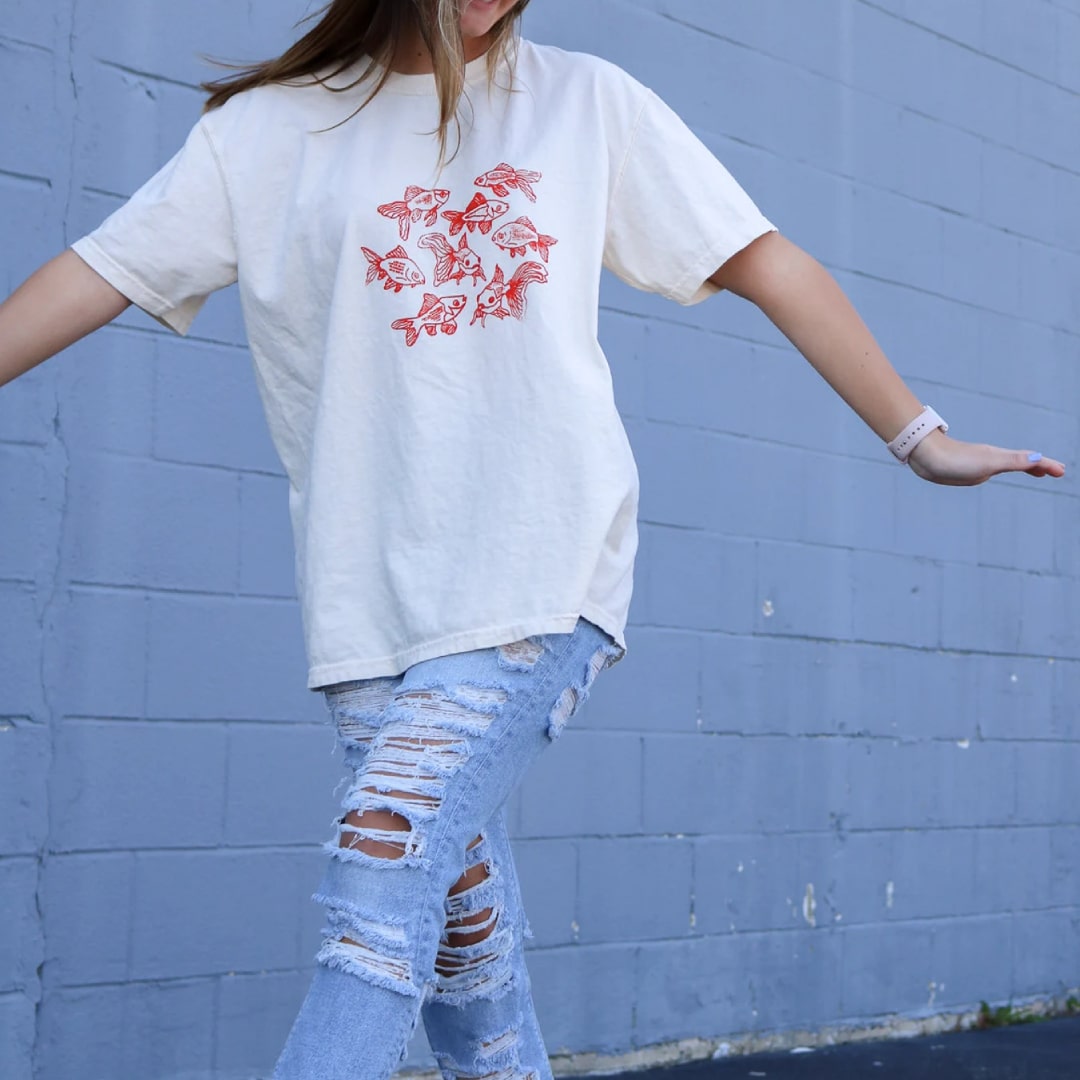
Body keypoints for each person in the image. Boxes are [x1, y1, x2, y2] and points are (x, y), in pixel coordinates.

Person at [0, 1, 1067, 1077]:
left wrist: (920, 439)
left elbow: (766, 261)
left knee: (379, 872)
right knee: (469, 950)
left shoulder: (582, 103)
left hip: (538, 571)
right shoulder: (265, 132)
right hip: (366, 605)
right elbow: (94, 275)